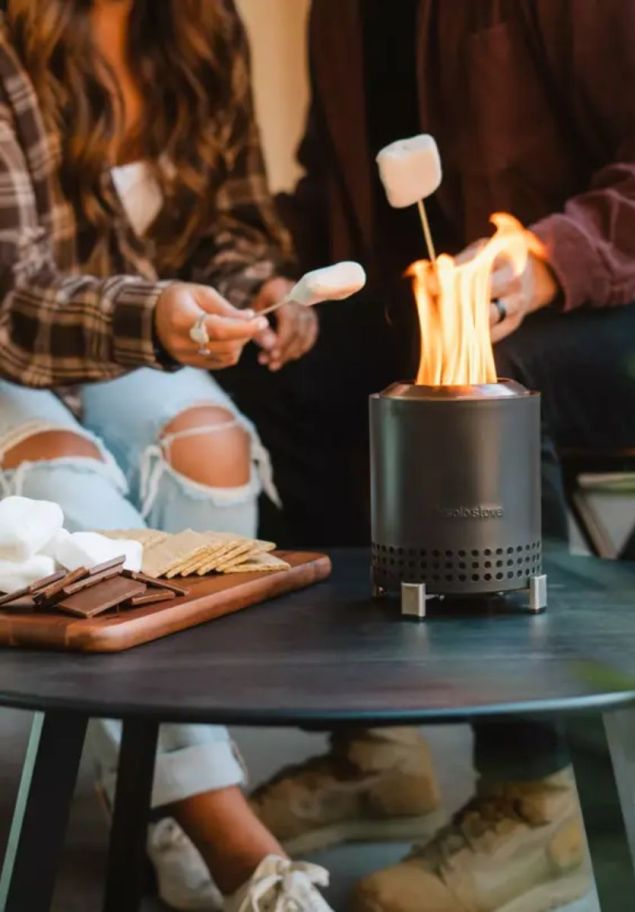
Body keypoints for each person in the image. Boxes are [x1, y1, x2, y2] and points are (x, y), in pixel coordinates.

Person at [218, 2, 635, 912]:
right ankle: (375, 750)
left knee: (490, 389)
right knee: (287, 377)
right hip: (463, 314)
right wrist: (285, 286)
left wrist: (548, 258)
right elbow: (330, 183)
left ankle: (536, 799)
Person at [0, 1, 333, 909]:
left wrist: (257, 283)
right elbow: (11, 291)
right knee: (67, 482)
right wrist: (153, 316)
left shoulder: (201, 25)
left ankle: (159, 794)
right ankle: (224, 831)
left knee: (214, 449)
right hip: (15, 332)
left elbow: (228, 219)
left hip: (127, 333)